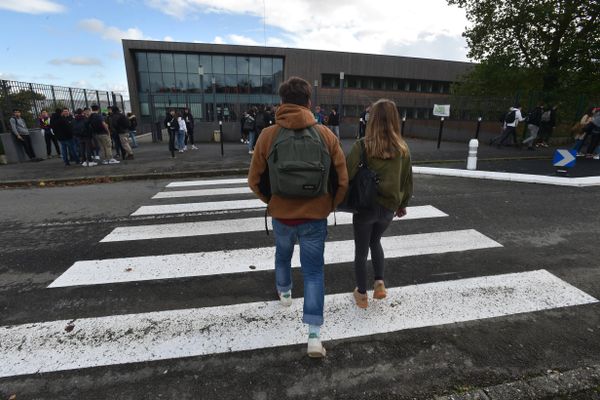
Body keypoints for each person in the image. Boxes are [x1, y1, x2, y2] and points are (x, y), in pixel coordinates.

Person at [248, 76, 348, 358]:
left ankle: (285, 294)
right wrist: (328, 205)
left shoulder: (268, 135)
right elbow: (342, 180)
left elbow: (254, 179)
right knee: (314, 272)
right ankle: (314, 336)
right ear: (308, 102)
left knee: (282, 254)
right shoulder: (326, 134)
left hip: (282, 215)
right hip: (315, 217)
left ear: (281, 102)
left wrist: (273, 201)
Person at [345, 99, 413, 309]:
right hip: (389, 208)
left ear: (371, 119)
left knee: (360, 250)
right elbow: (407, 180)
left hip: (366, 206)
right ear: (395, 119)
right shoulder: (403, 148)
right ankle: (380, 283)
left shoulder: (362, 145)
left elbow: (347, 173)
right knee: (376, 241)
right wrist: (403, 203)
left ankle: (362, 294)